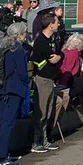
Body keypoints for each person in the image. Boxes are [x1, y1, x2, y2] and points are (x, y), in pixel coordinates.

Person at [0, 22, 30, 165]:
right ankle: (2, 157)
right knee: (8, 123)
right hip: (13, 89)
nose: (26, 35)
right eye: (25, 33)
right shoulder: (17, 49)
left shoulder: (4, 47)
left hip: (1, 89)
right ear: (20, 34)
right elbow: (22, 72)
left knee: (1, 122)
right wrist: (27, 82)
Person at [28, 12, 62, 153]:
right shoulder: (41, 41)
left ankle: (45, 140)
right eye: (56, 22)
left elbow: (59, 53)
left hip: (50, 79)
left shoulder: (53, 39)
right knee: (40, 112)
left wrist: (59, 56)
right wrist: (55, 58)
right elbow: (49, 58)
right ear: (50, 25)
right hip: (42, 80)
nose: (58, 24)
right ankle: (36, 142)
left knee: (48, 111)